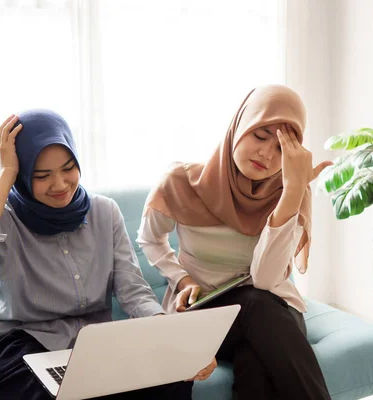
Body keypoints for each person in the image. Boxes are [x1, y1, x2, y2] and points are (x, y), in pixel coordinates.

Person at [0, 110, 214, 400]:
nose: (60, 184)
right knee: (48, 393)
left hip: (92, 343)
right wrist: (6, 175)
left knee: (173, 378)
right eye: (41, 175)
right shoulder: (5, 218)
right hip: (18, 341)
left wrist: (170, 336)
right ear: (22, 175)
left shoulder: (105, 211)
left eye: (68, 168)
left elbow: (133, 291)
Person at [137, 85, 334, 400]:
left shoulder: (292, 192)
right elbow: (150, 239)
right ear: (240, 125)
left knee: (255, 362)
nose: (267, 155)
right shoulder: (182, 182)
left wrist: (292, 193)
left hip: (273, 312)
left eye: (283, 148)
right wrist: (181, 277)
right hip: (206, 313)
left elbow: (267, 279)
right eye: (260, 135)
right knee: (256, 307)